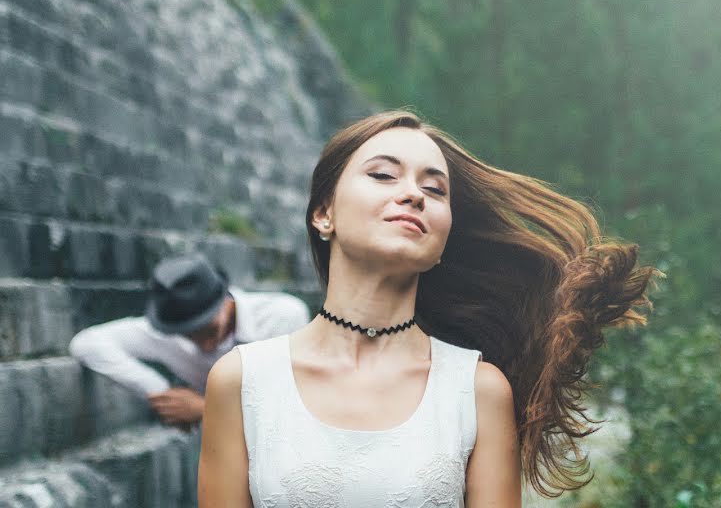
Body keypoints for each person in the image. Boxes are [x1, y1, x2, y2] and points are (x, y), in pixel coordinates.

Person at [198, 110, 663, 507]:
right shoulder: (243, 381)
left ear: (441, 241)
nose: (415, 194)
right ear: (324, 213)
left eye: (436, 190)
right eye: (383, 175)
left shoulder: (477, 390)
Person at [68, 252, 311, 431]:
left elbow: (294, 407)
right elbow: (87, 344)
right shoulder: (166, 332)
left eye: (207, 329)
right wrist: (163, 392)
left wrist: (205, 408)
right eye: (188, 333)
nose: (203, 344)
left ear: (225, 301)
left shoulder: (281, 317)